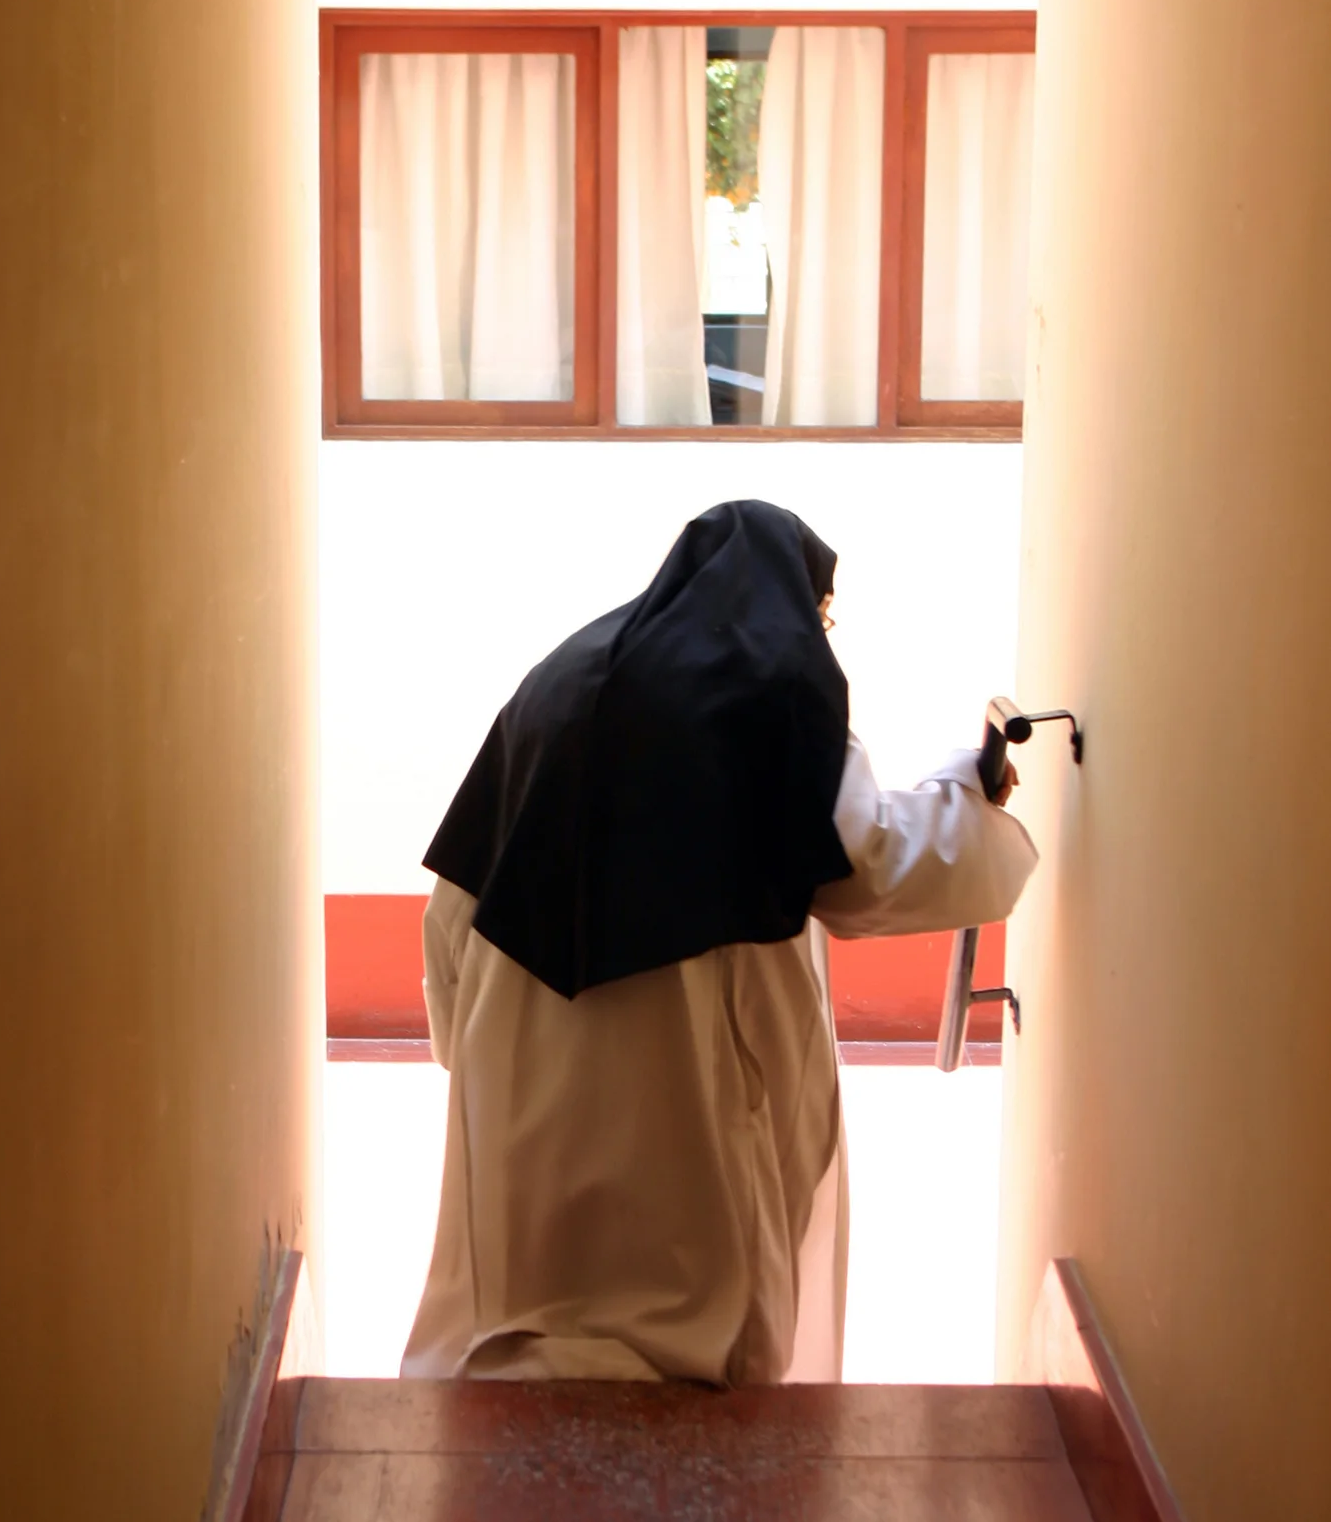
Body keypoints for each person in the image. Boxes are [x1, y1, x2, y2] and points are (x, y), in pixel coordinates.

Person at [400, 500, 1037, 1385]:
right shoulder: (775, 694)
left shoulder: (561, 680)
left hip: (525, 1045)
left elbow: (456, 893)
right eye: (823, 612)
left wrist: (462, 1043)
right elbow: (870, 866)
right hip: (686, 1060)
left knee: (532, 1305)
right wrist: (972, 808)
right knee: (688, 1324)